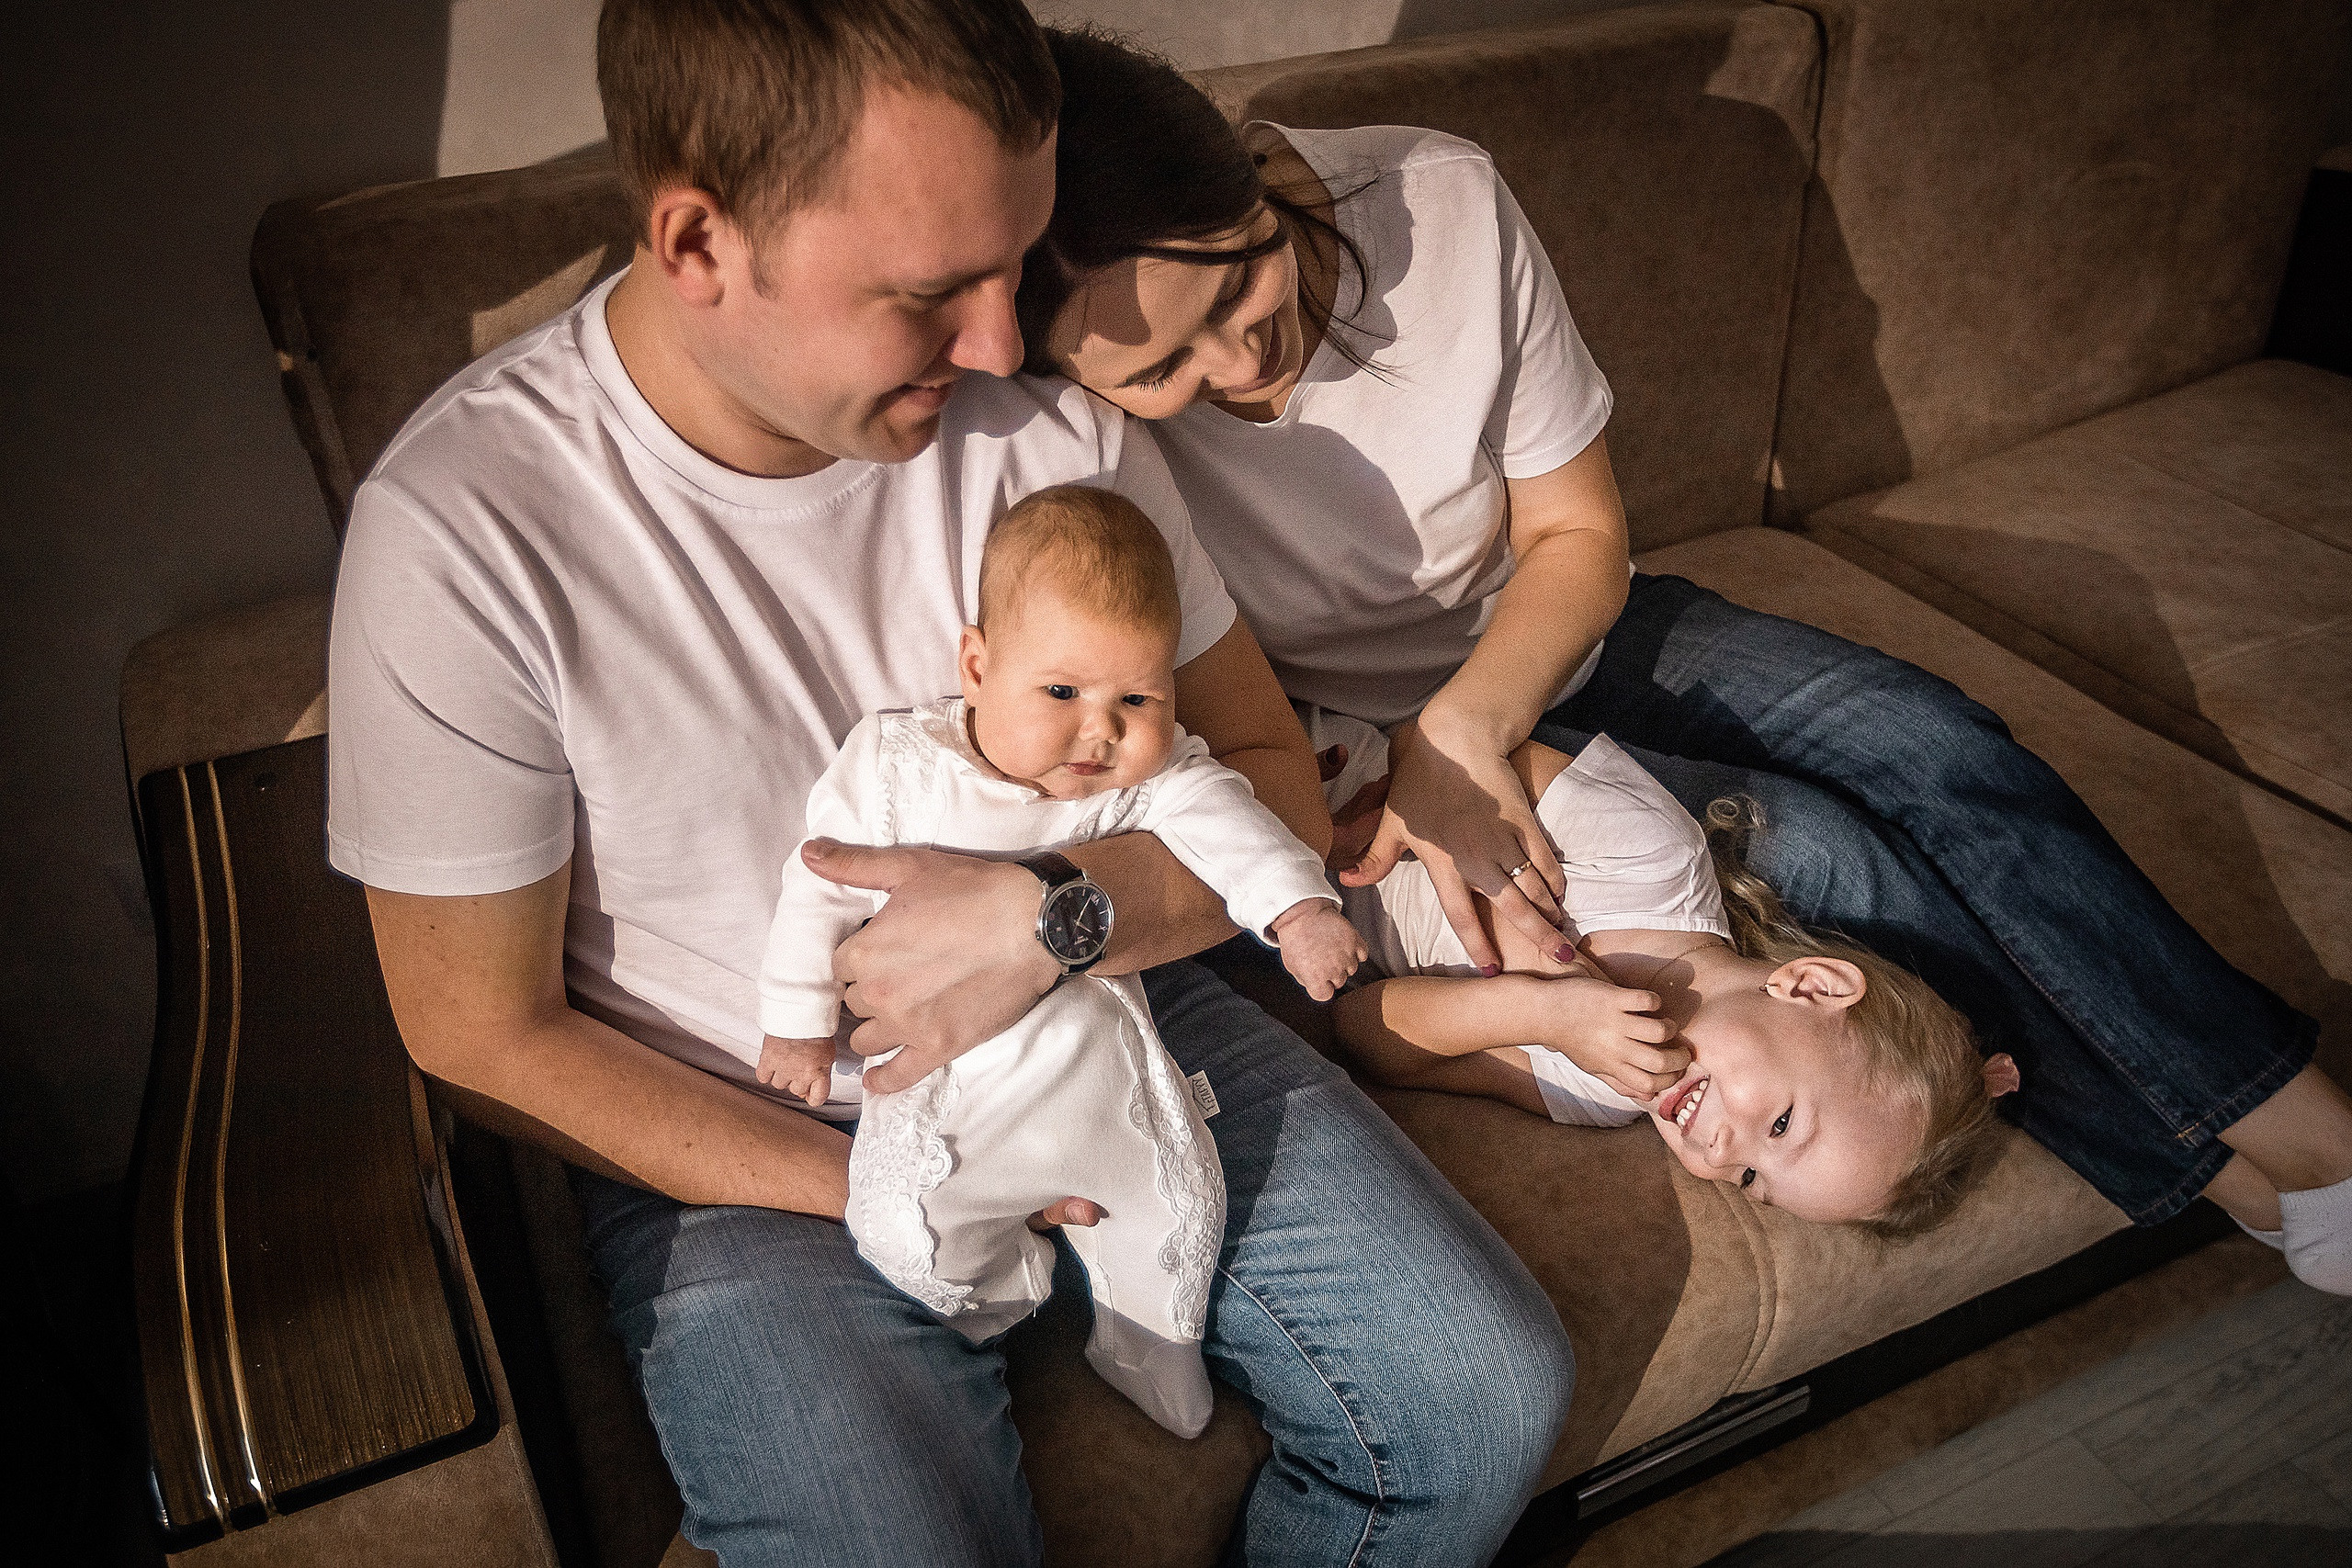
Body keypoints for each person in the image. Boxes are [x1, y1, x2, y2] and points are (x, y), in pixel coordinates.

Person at [327, 4, 1572, 1563]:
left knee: (1479, 1394)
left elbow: (1257, 764)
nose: (1006, 344)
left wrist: (1061, 915)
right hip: (741, 1134)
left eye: (1017, 263)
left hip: (1116, 1016)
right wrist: (886, 1180)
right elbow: (475, 1027)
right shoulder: (464, 533)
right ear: (699, 241)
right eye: (932, 294)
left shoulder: (1046, 434)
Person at [1014, 26, 2352, 1292]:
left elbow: (1582, 535)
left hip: (1557, 621)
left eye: (1242, 284)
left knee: (1928, 736)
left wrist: (1466, 727)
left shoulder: (1435, 199)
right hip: (1343, 709)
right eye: (1165, 372)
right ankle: (2212, 1164)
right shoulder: (1059, 415)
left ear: (1250, 169)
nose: (1241, 361)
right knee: (1824, 852)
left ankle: (2304, 1126)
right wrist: (1404, 765)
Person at [755, 485, 1363, 1438]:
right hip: (940, 1088)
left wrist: (1298, 913)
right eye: (1062, 693)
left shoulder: (1154, 780)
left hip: (1107, 1077)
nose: (1099, 731)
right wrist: (794, 1019)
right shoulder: (897, 768)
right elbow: (820, 885)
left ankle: (1145, 1344)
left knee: (1176, 1207)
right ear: (976, 665)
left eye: (1138, 698)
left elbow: (1237, 830)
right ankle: (1005, 1290)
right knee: (906, 1233)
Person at [1310, 712, 2014, 1238]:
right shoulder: (1654, 856)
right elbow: (1440, 745)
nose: (1719, 1149)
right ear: (1812, 987)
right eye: (1780, 1123)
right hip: (1325, 766)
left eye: (1750, 1180)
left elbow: (1361, 1030)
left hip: (1289, 912)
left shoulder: (1597, 1090)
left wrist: (1542, 1016)